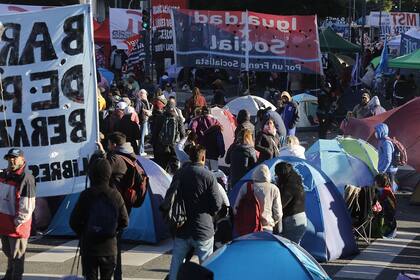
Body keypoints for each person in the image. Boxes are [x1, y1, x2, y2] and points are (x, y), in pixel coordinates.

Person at [168, 145, 222, 280]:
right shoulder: (208, 176)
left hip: (182, 225)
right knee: (207, 266)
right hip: (203, 227)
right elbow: (217, 203)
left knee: (176, 265)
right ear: (203, 158)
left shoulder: (180, 173)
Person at [70, 158, 129, 280]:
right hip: (109, 246)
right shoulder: (115, 195)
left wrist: (83, 232)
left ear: (91, 174)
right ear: (108, 173)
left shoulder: (86, 195)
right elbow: (125, 220)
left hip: (89, 246)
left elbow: (73, 221)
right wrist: (113, 230)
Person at [96, 132, 137, 280]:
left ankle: (112, 275)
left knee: (110, 247)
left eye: (108, 144)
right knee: (115, 245)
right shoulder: (129, 155)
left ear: (113, 144)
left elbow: (99, 173)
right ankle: (116, 275)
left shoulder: (115, 158)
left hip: (112, 207)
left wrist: (101, 154)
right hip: (123, 206)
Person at [0, 148, 36, 280]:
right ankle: (10, 274)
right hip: (4, 224)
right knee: (9, 253)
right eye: (9, 158)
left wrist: (17, 223)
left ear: (22, 159)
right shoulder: (5, 175)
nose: (11, 160)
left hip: (17, 227)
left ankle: (14, 276)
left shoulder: (26, 178)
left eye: (14, 157)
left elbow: (27, 207)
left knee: (17, 257)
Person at [233, 164, 282, 234]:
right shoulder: (274, 189)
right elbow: (278, 213)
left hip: (248, 227)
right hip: (266, 227)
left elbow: (236, 208)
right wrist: (272, 221)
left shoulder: (246, 186)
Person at [275, 162, 307, 244]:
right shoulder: (297, 182)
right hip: (300, 218)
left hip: (292, 220)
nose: (277, 177)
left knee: (290, 248)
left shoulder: (289, 186)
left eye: (277, 174)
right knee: (295, 247)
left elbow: (280, 205)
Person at [152, 103, 185, 173]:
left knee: (161, 168)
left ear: (166, 108)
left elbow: (155, 133)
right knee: (175, 168)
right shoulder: (178, 119)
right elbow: (182, 134)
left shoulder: (160, 118)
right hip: (174, 147)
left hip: (161, 146)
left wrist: (154, 145)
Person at [374, 123, 398, 189]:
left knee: (388, 190)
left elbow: (388, 159)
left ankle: (391, 199)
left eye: (377, 131)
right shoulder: (382, 141)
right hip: (385, 170)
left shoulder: (386, 143)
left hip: (388, 170)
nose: (375, 133)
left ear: (382, 131)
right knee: (386, 189)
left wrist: (382, 171)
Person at [374, 173, 397, 238]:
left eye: (375, 181)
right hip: (390, 210)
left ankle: (382, 232)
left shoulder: (385, 191)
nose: (374, 183)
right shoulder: (387, 188)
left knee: (386, 222)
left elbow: (381, 200)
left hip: (388, 211)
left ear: (379, 183)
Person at [135, 89, 153, 156]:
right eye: (142, 93)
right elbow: (137, 111)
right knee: (141, 136)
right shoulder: (140, 101)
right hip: (142, 120)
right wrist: (145, 111)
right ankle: (140, 151)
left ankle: (142, 150)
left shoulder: (144, 101)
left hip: (144, 120)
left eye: (144, 93)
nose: (143, 95)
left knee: (143, 136)